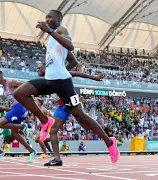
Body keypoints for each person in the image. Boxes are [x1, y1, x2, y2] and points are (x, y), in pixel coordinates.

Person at [14, 10, 119, 165]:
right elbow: (71, 61)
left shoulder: (61, 31)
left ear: (59, 19)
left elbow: (71, 47)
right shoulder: (52, 40)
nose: (47, 19)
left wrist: (49, 31)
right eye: (46, 18)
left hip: (62, 82)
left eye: (50, 17)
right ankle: (45, 122)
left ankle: (109, 142)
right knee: (20, 93)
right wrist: (48, 69)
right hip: (50, 81)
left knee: (80, 116)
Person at [36, 64, 103, 166]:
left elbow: (75, 73)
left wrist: (94, 77)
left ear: (47, 68)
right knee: (53, 130)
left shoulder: (57, 73)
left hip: (71, 101)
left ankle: (93, 112)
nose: (38, 69)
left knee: (86, 126)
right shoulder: (43, 81)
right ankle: (57, 159)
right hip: (62, 106)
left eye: (40, 67)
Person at [0, 70, 37, 162]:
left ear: (1, 76)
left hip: (19, 108)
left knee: (0, 124)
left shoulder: (11, 82)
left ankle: (22, 126)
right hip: (14, 108)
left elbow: (27, 86)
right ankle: (32, 151)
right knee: (14, 134)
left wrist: (29, 99)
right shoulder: (3, 87)